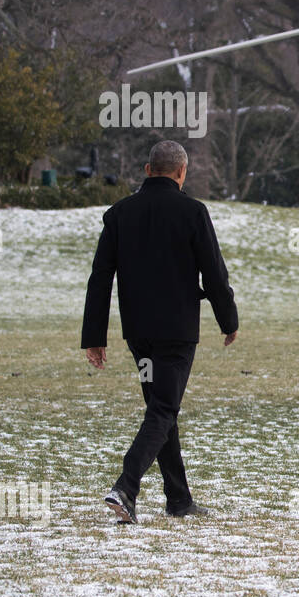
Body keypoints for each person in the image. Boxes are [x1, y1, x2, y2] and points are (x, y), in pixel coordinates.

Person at [80, 140, 238, 524]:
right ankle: (126, 486)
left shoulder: (119, 214)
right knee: (164, 409)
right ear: (181, 173)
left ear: (148, 170)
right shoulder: (193, 212)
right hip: (177, 333)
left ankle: (179, 499)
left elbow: (100, 279)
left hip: (140, 335)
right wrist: (228, 320)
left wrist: (94, 336)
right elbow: (214, 273)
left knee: (160, 410)